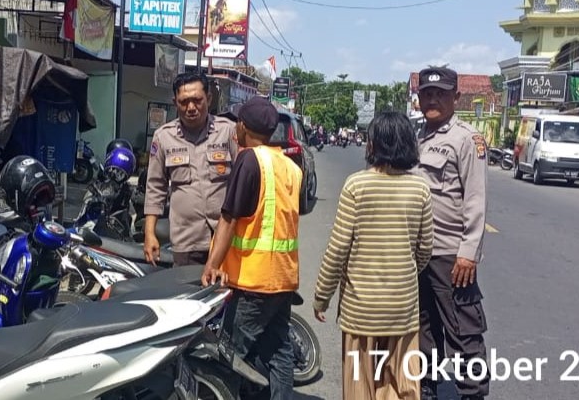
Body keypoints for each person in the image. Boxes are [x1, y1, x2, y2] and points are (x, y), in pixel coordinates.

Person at [312, 111, 433, 400]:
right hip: (402, 310)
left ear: (372, 145)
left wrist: (322, 296)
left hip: (360, 311)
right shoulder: (420, 188)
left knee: (359, 386)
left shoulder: (357, 185)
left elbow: (339, 248)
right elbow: (425, 249)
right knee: (402, 386)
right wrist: (401, 272)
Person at [201, 96, 302, 400]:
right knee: (279, 352)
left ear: (242, 127)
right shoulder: (289, 165)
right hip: (282, 278)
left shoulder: (250, 159)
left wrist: (213, 264)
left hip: (252, 281)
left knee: (230, 353)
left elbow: (230, 217)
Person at [414, 66, 490, 400]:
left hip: (450, 255)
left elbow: (476, 198)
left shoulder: (466, 140)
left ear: (456, 97)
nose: (432, 99)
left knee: (463, 330)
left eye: (440, 93)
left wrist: (468, 251)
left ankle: (472, 393)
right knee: (423, 328)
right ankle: (426, 389)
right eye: (427, 93)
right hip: (419, 253)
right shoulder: (418, 137)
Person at [143, 71, 238, 266]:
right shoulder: (163, 137)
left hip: (226, 238)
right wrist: (149, 233)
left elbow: (242, 180)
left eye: (197, 100)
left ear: (209, 99)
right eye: (184, 102)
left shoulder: (227, 131)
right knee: (187, 295)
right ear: (174, 102)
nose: (191, 108)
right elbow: (155, 188)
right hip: (187, 241)